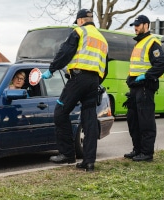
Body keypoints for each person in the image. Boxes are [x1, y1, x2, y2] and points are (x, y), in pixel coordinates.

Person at [41, 8, 108, 172]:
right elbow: (104, 67)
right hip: (93, 81)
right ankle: (89, 161)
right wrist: (95, 80)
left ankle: (67, 154)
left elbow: (65, 52)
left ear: (80, 20)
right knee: (90, 120)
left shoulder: (79, 32)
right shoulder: (102, 39)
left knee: (60, 112)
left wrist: (52, 69)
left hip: (78, 79)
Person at [123, 15, 164, 162]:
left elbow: (160, 64)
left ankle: (147, 153)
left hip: (145, 87)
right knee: (133, 119)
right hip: (136, 88)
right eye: (134, 25)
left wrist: (146, 76)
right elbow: (135, 66)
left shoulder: (152, 42)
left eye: (138, 25)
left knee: (145, 120)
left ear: (146, 25)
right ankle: (138, 150)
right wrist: (130, 79)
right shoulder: (139, 43)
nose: (135, 27)